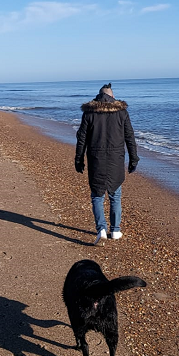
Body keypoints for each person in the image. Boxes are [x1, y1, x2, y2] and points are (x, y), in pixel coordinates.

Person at [75, 83, 139, 245]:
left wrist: (78, 159)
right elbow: (130, 137)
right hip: (115, 159)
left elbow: (81, 138)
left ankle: (101, 229)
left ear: (98, 97)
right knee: (114, 195)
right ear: (112, 97)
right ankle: (115, 230)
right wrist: (134, 158)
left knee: (97, 195)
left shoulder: (89, 113)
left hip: (96, 158)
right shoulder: (121, 112)